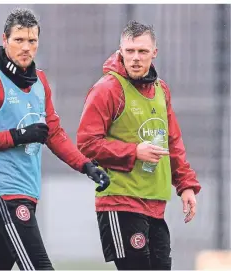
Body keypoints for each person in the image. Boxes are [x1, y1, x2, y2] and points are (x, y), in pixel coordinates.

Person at [0, 8, 109, 271]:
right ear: (5, 40)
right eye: (19, 40)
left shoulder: (40, 82)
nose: (26, 47)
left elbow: (54, 133)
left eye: (32, 41)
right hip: (2, 190)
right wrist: (16, 136)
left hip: (27, 190)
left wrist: (86, 165)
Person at [76, 20, 202, 270]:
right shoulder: (107, 89)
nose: (135, 58)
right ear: (120, 50)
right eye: (130, 51)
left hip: (155, 204)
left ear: (154, 53)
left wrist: (186, 185)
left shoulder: (161, 89)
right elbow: (86, 143)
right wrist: (134, 152)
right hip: (120, 201)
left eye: (142, 51)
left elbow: (173, 141)